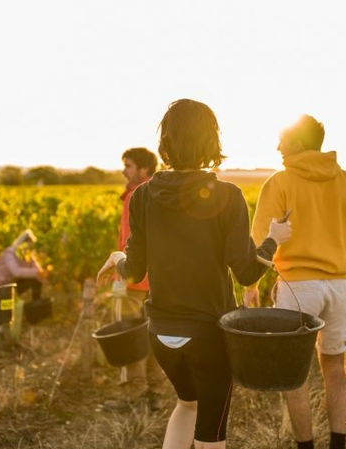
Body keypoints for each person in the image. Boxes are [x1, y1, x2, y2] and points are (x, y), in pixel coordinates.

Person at [97, 99, 292, 449]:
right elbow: (247, 274)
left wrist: (116, 257)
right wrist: (272, 242)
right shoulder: (228, 196)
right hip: (209, 338)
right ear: (210, 142)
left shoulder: (141, 197)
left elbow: (134, 270)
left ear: (166, 143)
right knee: (211, 438)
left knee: (186, 405)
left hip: (162, 335)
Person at [243, 115, 346, 449]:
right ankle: (338, 445)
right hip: (339, 288)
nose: (277, 146)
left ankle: (305, 446)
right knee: (335, 368)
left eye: (282, 140)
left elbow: (260, 241)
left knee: (293, 373)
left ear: (299, 144)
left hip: (297, 289)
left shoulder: (280, 182)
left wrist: (250, 286)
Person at [101, 147, 168, 412]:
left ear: (144, 169)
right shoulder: (162, 193)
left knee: (129, 335)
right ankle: (156, 393)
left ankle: (133, 394)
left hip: (133, 280)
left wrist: (121, 272)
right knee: (155, 335)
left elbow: (130, 242)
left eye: (128, 166)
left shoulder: (135, 196)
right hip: (159, 281)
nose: (123, 171)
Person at [0, 229, 47, 301]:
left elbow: (36, 268)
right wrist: (37, 272)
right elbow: (16, 272)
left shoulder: (28, 255)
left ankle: (36, 306)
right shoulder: (10, 253)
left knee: (36, 281)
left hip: (8, 286)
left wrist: (42, 273)